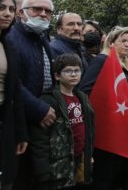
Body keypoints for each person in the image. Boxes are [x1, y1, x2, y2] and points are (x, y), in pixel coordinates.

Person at [7, 0, 57, 189]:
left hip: (40, 122)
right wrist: (38, 109)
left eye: (48, 11)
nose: (43, 14)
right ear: (21, 13)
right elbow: (12, 82)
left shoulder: (42, 38)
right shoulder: (11, 38)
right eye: (37, 9)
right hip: (20, 122)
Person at [79, 26, 128, 190]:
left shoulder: (125, 65)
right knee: (105, 174)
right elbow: (85, 90)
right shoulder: (101, 61)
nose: (127, 45)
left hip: (123, 126)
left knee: (119, 173)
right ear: (111, 43)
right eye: (123, 41)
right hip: (107, 127)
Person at [30, 53, 94, 189]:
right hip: (57, 165)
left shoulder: (82, 97)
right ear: (57, 76)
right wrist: (43, 170)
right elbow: (39, 138)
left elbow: (88, 131)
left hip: (78, 159)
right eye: (68, 71)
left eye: (77, 71)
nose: (73, 74)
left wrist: (88, 155)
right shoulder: (49, 100)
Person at [0, 0, 27, 189]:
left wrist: (21, 133)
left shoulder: (9, 47)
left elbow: (15, 92)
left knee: (2, 181)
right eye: (0, 8)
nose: (7, 13)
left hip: (5, 126)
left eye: (11, 9)